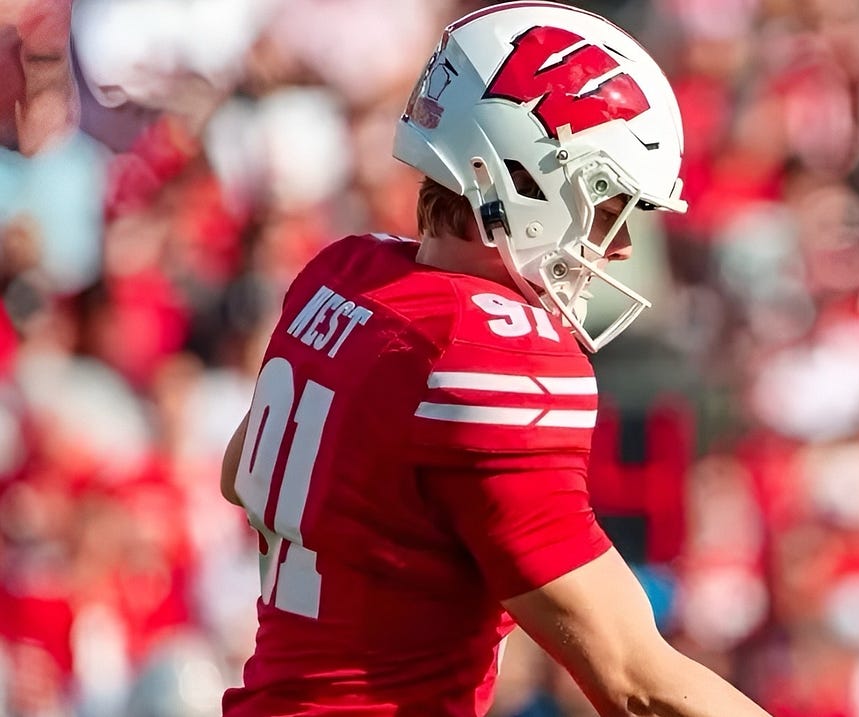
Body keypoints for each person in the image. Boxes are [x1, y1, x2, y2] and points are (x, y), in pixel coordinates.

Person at [218, 3, 772, 716]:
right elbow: (635, 680)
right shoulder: (487, 349)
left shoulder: (343, 273)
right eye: (608, 209)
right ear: (517, 178)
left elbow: (241, 473)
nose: (621, 248)